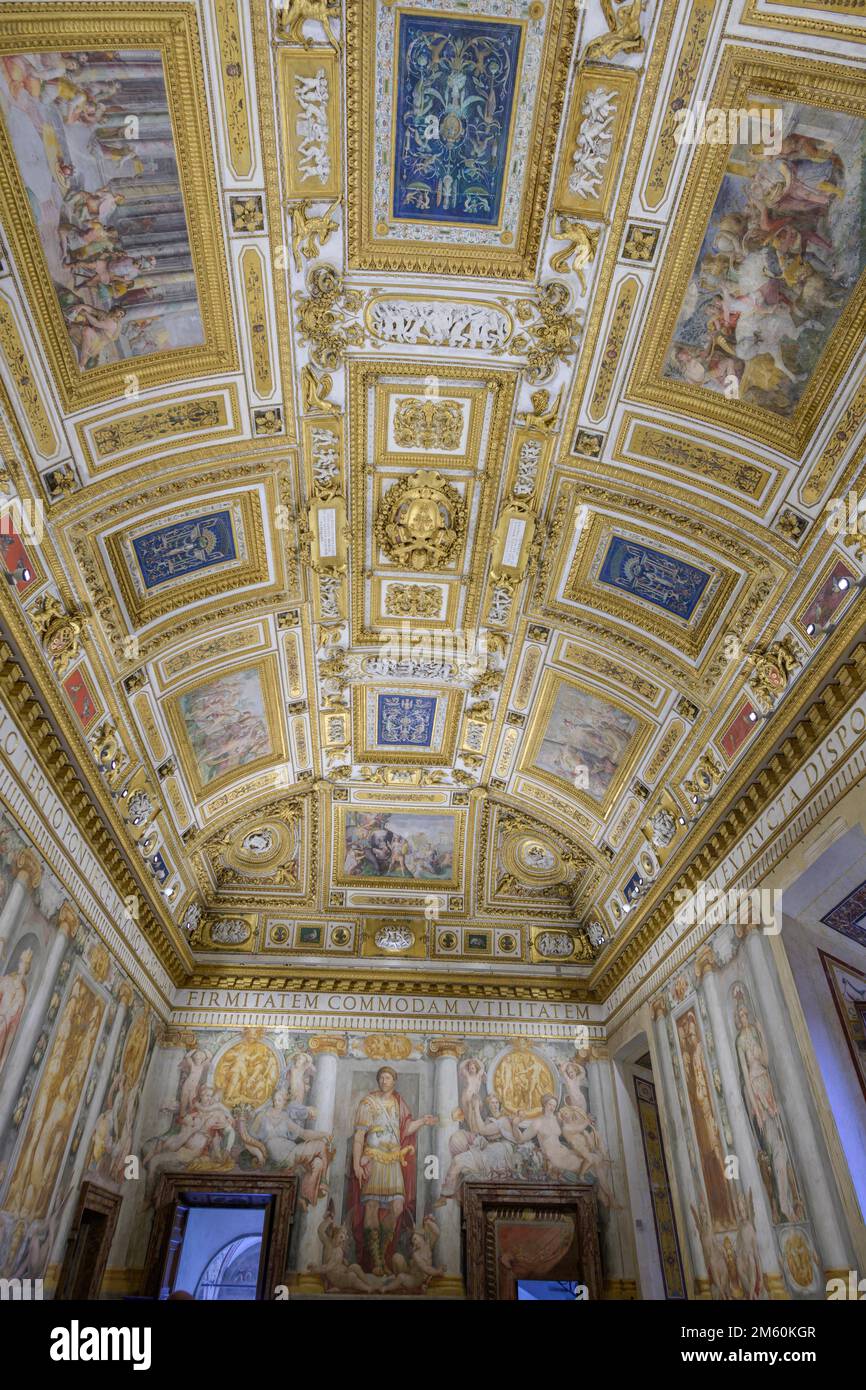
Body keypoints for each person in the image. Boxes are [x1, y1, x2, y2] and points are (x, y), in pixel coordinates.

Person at [349, 1066, 436, 1276]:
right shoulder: (368, 1103)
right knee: (371, 1205)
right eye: (381, 1077)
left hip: (393, 1161)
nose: (383, 1080)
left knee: (397, 1207)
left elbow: (405, 1129)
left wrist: (423, 1121)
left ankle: (382, 1252)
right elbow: (359, 1135)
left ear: (394, 1081)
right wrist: (356, 1164)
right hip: (373, 1157)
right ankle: (377, 1261)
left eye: (387, 1077)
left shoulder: (399, 1103)